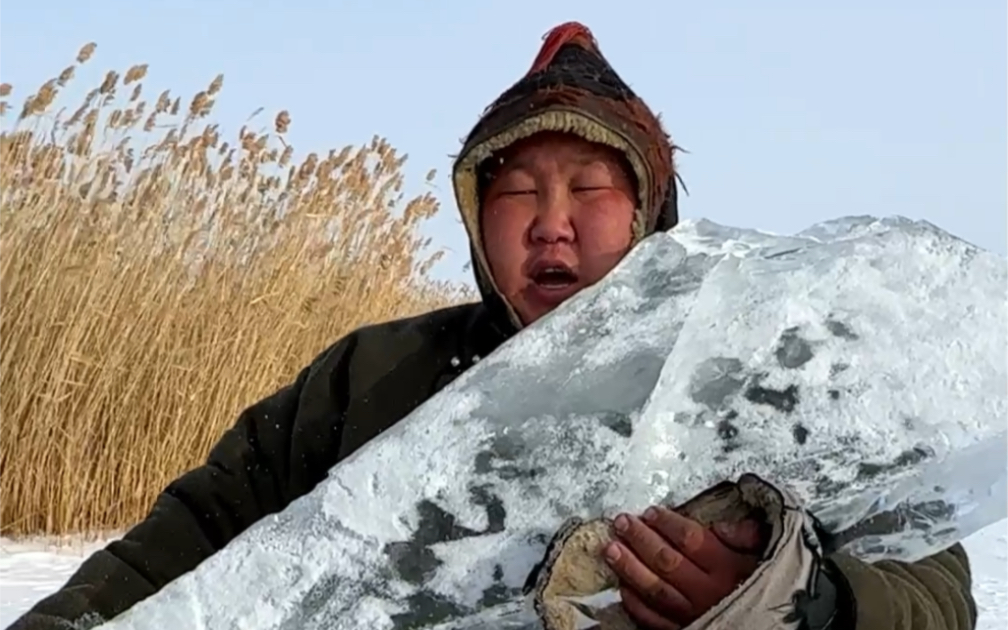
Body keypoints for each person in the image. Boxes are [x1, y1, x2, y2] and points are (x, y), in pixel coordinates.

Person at [13, 21, 976, 630]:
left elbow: (937, 594)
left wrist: (795, 598)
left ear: (652, 213)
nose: (551, 222)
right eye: (516, 191)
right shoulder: (373, 376)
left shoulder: (770, 377)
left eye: (590, 189)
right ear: (478, 221)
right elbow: (194, 537)